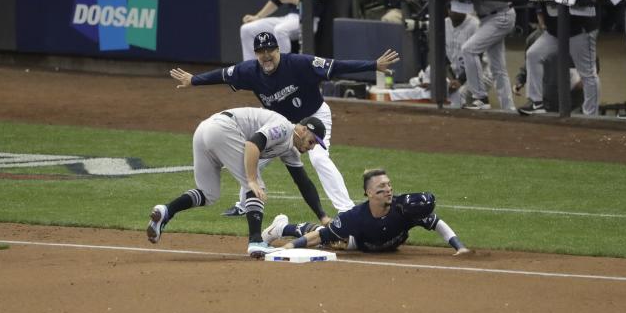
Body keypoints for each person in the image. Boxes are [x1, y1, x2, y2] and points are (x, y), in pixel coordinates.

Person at [170, 32, 400, 215]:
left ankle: (345, 208)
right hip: (280, 125)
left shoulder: (299, 63)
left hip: (315, 117)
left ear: (278, 49)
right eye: (261, 51)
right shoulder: (249, 71)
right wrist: (194, 80)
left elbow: (336, 65)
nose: (266, 55)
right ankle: (246, 205)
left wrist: (372, 65)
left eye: (270, 50)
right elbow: (222, 75)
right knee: (252, 161)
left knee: (319, 157)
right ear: (256, 54)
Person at [145, 107, 332, 258]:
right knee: (257, 186)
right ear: (303, 130)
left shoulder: (290, 150)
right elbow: (253, 143)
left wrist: (322, 216)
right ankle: (256, 241)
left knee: (208, 194)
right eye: (312, 141)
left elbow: (303, 182)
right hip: (223, 128)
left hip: (205, 131)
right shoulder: (284, 127)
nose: (311, 147)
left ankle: (166, 211)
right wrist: (251, 180)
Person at [263, 168, 471, 256]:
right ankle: (281, 227)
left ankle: (281, 227)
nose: (388, 190)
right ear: (369, 193)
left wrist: (459, 247)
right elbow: (318, 237)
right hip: (358, 244)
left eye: (389, 186)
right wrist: (287, 248)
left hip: (385, 245)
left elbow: (436, 222)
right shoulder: (355, 217)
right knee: (329, 237)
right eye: (382, 188)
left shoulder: (404, 208)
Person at [507, 0, 600, 117]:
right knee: (533, 54)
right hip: (555, 31)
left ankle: (592, 115)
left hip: (579, 29)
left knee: (587, 73)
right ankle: (536, 102)